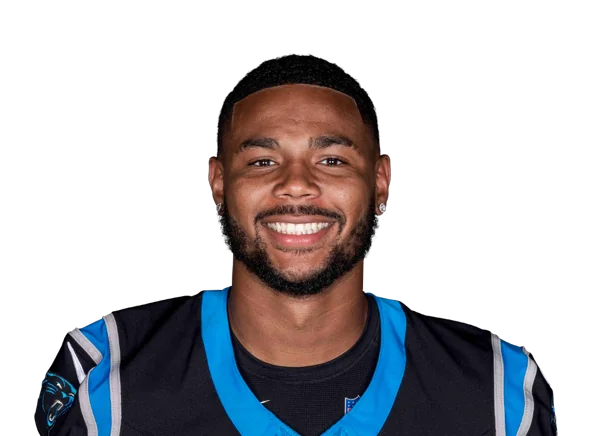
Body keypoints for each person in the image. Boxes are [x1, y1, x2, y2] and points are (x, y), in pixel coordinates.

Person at [35, 54, 557, 436]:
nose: (297, 186)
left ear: (381, 182)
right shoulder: (104, 376)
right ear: (218, 182)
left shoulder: (499, 393)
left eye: (332, 160)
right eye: (263, 161)